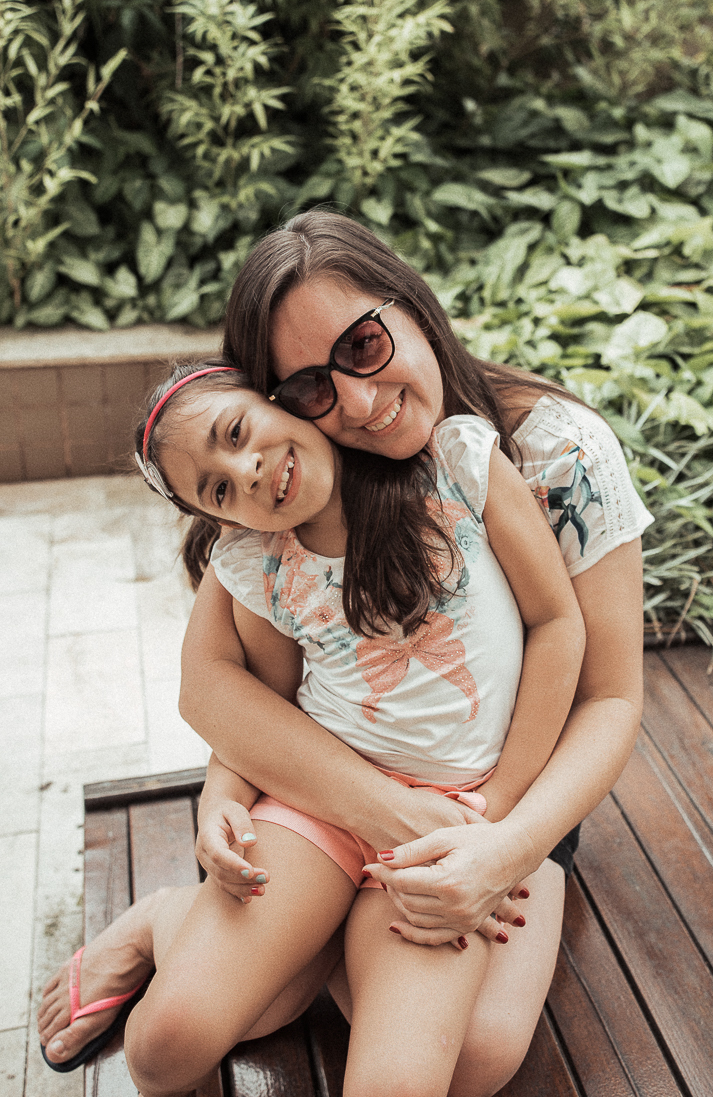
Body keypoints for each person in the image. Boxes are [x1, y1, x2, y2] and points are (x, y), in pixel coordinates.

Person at [177, 210, 652, 1096]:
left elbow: (610, 696)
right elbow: (218, 684)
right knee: (221, 1017)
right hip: (325, 800)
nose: (356, 402)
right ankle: (192, 926)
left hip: (502, 793)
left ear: (412, 307)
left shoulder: (555, 452)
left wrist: (505, 843)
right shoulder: (304, 464)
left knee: (475, 1058)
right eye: (309, 387)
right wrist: (230, 792)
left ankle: (273, 940)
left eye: (363, 344)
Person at [39, 358, 586, 1097]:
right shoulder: (259, 565)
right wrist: (222, 795)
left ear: (285, 399)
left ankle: (313, 947)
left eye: (238, 432)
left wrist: (496, 826)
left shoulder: (455, 464)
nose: (250, 468)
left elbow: (557, 623)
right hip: (317, 813)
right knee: (164, 1052)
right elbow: (267, 704)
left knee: (428, 1074)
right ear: (221, 518)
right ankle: (163, 920)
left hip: (454, 821)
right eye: (220, 488)